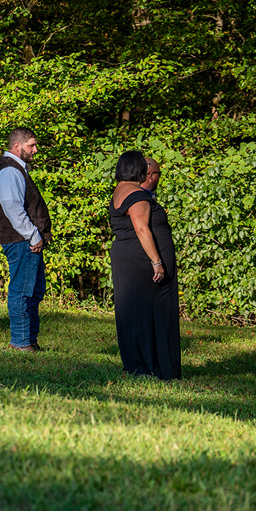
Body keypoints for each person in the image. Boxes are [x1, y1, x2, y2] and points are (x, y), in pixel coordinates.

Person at [109, 150, 181, 379]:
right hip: (141, 261)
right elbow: (141, 229)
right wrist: (157, 262)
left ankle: (139, 365)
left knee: (135, 311)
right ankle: (159, 367)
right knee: (156, 312)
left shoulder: (121, 189)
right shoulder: (136, 195)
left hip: (128, 257)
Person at [0, 126, 52, 351]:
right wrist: (34, 235)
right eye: (31, 145)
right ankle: (21, 342)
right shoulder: (9, 170)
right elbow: (13, 208)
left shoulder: (17, 168)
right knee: (22, 290)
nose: (35, 150)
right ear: (17, 146)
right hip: (21, 240)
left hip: (24, 240)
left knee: (33, 290)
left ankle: (29, 341)